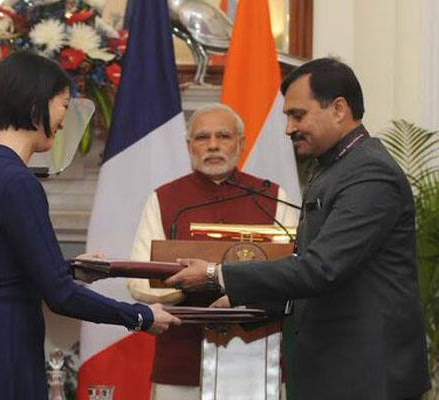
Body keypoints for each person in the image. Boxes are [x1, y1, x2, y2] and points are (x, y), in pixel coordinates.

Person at [165, 58, 431, 400]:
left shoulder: (369, 173)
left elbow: (322, 269)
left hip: (364, 378)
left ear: (338, 109)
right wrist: (243, 299)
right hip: (336, 373)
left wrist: (218, 274)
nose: (289, 128)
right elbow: (324, 277)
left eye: (297, 115)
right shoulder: (336, 167)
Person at [0, 50, 180, 400]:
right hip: (6, 348)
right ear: (37, 105)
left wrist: (69, 270)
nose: (65, 120)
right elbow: (61, 296)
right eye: (63, 105)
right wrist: (139, 316)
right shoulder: (18, 181)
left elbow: (3, 271)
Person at [128, 103, 299, 400]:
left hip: (257, 356)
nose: (213, 145)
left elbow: (295, 275)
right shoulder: (165, 198)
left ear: (241, 143)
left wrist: (230, 287)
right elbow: (138, 281)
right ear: (189, 146)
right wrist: (190, 284)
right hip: (183, 360)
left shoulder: (273, 197)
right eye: (202, 137)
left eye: (223, 136)